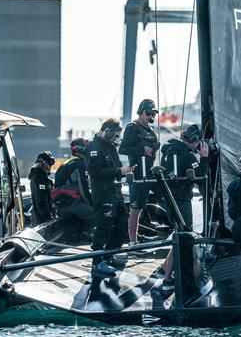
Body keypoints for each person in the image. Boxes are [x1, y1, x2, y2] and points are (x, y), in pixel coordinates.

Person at [157, 124, 210, 291]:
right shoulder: (188, 156)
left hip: (168, 199)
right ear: (194, 141)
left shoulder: (167, 150)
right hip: (181, 200)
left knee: (178, 233)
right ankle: (167, 280)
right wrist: (205, 157)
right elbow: (200, 178)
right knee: (184, 236)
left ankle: (164, 267)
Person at [87, 118, 134, 278]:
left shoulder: (111, 148)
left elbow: (115, 168)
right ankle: (97, 262)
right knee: (104, 228)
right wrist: (118, 171)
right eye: (114, 135)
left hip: (116, 193)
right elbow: (95, 173)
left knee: (122, 228)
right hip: (103, 193)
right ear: (106, 130)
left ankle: (109, 255)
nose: (116, 138)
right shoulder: (93, 147)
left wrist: (121, 171)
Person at [119, 99, 161, 245]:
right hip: (137, 174)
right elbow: (122, 148)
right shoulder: (132, 127)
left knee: (165, 198)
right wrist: (142, 150)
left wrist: (154, 147)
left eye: (152, 114)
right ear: (140, 112)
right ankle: (132, 241)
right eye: (147, 113)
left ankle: (175, 233)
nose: (150, 116)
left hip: (150, 173)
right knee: (135, 208)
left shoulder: (150, 130)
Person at [53, 138, 97, 235]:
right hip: (71, 204)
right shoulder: (79, 164)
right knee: (97, 213)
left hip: (62, 204)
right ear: (82, 149)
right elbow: (84, 190)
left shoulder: (68, 162)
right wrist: (93, 203)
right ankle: (88, 236)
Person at [28, 151, 55, 227]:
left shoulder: (45, 178)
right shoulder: (38, 177)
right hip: (41, 220)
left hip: (43, 217)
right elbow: (41, 200)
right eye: (49, 163)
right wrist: (48, 218)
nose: (50, 166)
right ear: (42, 163)